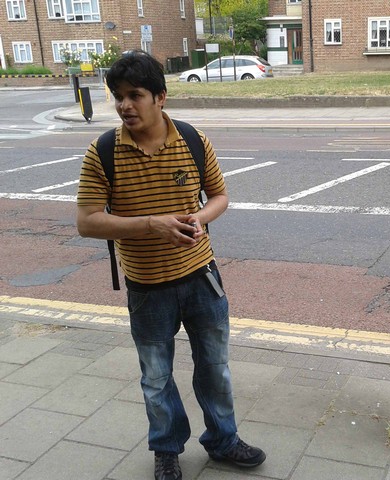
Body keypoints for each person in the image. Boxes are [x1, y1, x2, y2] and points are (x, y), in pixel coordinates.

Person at [76, 50, 265, 480]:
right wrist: (151, 223)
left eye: (135, 95)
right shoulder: (103, 152)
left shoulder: (193, 140)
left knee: (214, 369)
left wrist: (199, 217)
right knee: (156, 378)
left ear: (160, 97)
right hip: (147, 287)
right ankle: (166, 449)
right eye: (118, 96)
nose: (125, 105)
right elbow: (87, 222)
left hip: (202, 279)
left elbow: (219, 196)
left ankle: (223, 440)